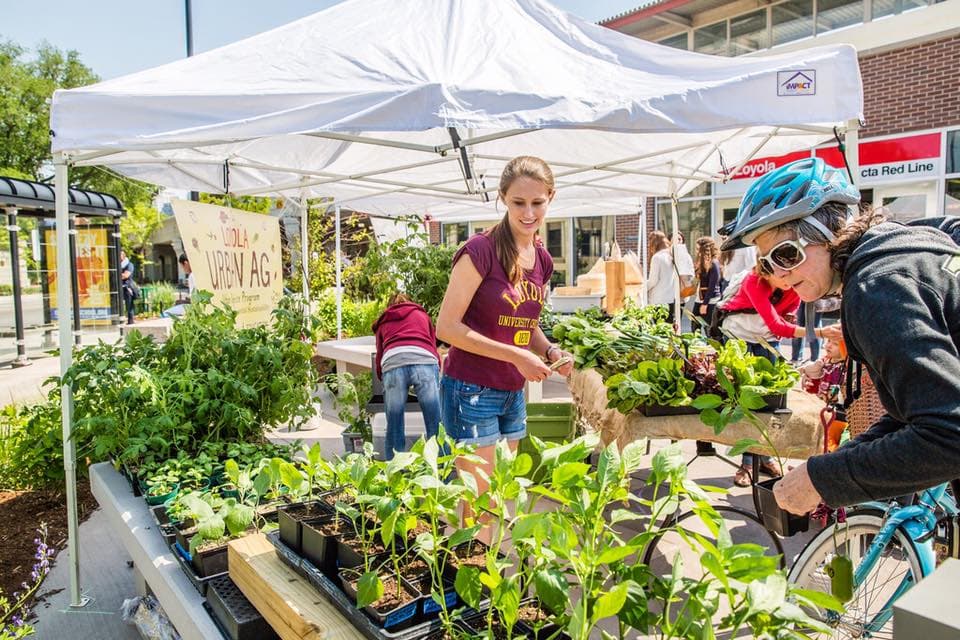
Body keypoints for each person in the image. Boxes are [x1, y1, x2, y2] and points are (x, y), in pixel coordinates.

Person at [720, 156, 960, 514]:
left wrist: (822, 479)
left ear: (829, 234)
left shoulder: (876, 287)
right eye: (768, 264)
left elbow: (948, 434)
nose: (780, 276)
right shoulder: (904, 250)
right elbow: (918, 407)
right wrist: (839, 462)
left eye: (786, 255)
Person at [436, 155, 573, 534]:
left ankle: (485, 578)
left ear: (550, 198)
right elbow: (446, 327)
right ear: (502, 199)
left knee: (498, 495)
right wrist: (517, 355)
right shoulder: (480, 251)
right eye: (518, 203)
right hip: (471, 389)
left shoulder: (541, 259)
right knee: (477, 501)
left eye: (537, 202)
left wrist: (549, 351)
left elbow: (526, 325)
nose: (528, 212)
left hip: (512, 391)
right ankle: (469, 584)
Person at [717, 260, 822, 486]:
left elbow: (784, 319)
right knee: (747, 400)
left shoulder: (792, 286)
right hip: (739, 338)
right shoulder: (753, 281)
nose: (788, 278)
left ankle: (764, 456)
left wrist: (789, 320)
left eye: (790, 272)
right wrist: (820, 332)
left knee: (771, 400)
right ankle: (747, 462)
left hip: (766, 340)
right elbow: (777, 326)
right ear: (766, 272)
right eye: (782, 274)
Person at [372, 293, 442, 460]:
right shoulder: (422, 315)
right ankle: (441, 475)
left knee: (394, 425)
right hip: (424, 360)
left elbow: (380, 354)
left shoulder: (384, 321)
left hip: (393, 363)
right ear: (410, 302)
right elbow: (432, 344)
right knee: (435, 423)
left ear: (389, 306)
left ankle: (395, 477)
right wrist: (436, 366)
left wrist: (385, 378)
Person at [646, 231, 692, 324]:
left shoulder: (657, 257)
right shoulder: (672, 255)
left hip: (659, 300)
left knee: (661, 330)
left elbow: (653, 281)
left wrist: (642, 288)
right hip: (672, 299)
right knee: (670, 329)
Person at [693, 237, 721, 334]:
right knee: (695, 327)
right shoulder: (701, 263)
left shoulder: (714, 263)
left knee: (709, 329)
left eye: (698, 249)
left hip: (710, 301)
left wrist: (705, 304)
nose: (696, 251)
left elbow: (712, 286)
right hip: (699, 299)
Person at [119, 249, 137, 324]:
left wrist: (116, 274)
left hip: (127, 287)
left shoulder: (129, 265)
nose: (119, 256)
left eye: (120, 255)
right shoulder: (117, 265)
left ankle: (131, 320)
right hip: (119, 287)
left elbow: (126, 275)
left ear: (124, 256)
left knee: (129, 305)